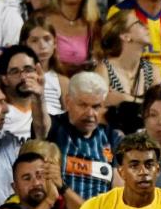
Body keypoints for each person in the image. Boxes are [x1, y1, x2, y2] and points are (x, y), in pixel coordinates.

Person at [47, 71, 123, 201]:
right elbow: (40, 124)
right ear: (68, 101)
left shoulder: (111, 137)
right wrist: (37, 98)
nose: (90, 113)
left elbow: (118, 188)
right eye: (83, 105)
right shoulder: (54, 127)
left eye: (96, 106)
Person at [96, 10, 161, 135]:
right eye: (139, 23)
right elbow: (96, 113)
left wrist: (125, 99)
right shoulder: (104, 69)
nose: (146, 25)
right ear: (125, 36)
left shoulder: (152, 71)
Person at [0, 44, 49, 141]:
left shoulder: (46, 107)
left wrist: (39, 97)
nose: (23, 77)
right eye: (15, 72)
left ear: (37, 72)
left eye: (28, 70)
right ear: (4, 79)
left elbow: (43, 135)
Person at [21, 15, 70, 116]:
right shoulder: (19, 76)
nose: (42, 46)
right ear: (24, 45)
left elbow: (69, 117)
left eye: (47, 39)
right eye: (34, 41)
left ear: (55, 43)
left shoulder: (62, 81)